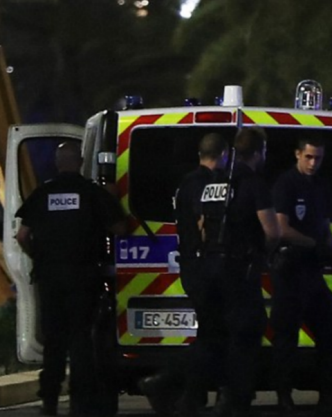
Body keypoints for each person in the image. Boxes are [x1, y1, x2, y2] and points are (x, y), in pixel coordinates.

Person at [15, 141, 127, 416]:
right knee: (80, 338)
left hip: (50, 277)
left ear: (57, 163)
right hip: (83, 275)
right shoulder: (92, 193)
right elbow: (120, 229)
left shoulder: (43, 193)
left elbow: (21, 235)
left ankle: (50, 400)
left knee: (54, 339)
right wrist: (112, 201)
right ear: (79, 162)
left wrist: (37, 258)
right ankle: (81, 401)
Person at [139, 133, 230, 415]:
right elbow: (205, 223)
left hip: (192, 265)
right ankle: (163, 380)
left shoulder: (186, 183)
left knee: (210, 335)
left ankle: (191, 396)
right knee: (214, 337)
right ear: (223, 155)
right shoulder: (204, 185)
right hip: (204, 266)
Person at [192, 127, 279, 417]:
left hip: (211, 266)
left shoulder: (214, 183)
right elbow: (272, 231)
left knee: (215, 335)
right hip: (239, 269)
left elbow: (202, 227)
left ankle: (192, 391)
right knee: (247, 332)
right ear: (258, 153)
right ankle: (234, 398)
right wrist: (260, 252)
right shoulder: (255, 184)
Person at [270, 138, 332, 413]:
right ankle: (283, 396)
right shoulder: (286, 184)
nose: (313, 163)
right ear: (298, 154)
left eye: (318, 158)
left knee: (330, 336)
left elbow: (323, 223)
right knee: (286, 338)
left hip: (312, 272)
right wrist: (315, 244)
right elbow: (281, 229)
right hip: (290, 270)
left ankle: (327, 395)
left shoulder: (320, 186)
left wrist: (331, 250)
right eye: (309, 157)